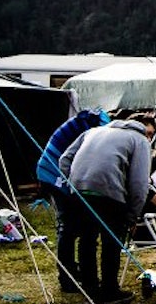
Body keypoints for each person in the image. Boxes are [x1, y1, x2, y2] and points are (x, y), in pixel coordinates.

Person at [59, 112, 156, 304]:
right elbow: (139, 183)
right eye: (150, 133)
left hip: (78, 191)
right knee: (111, 242)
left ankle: (89, 287)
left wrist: (70, 183)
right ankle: (109, 291)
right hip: (109, 192)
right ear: (143, 129)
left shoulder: (94, 131)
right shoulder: (139, 140)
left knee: (87, 240)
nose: (150, 137)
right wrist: (132, 217)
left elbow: (64, 160)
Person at [35, 108, 109, 292]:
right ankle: (67, 279)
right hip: (54, 171)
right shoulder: (99, 126)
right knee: (68, 227)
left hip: (57, 168)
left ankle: (73, 273)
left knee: (76, 226)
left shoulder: (97, 119)